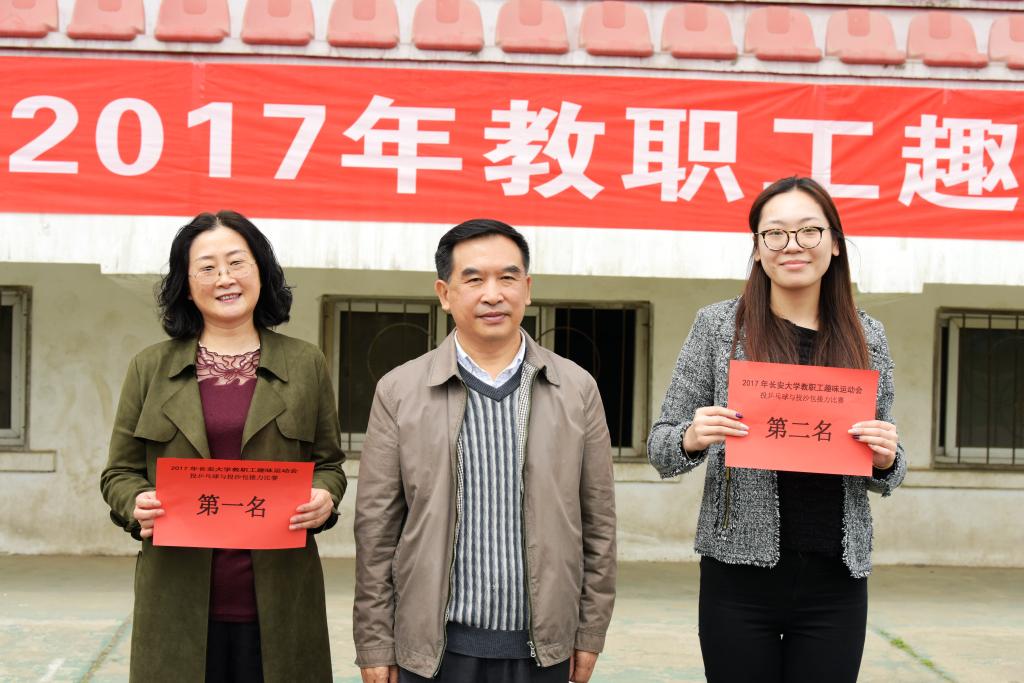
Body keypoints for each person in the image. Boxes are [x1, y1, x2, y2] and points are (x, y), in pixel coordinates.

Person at [647, 177, 907, 683]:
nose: (793, 245)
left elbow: (889, 463)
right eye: (775, 233)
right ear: (757, 247)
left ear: (835, 243)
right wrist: (691, 437)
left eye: (809, 231)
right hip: (737, 577)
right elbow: (661, 447)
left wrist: (886, 458)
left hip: (836, 580)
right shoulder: (719, 326)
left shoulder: (867, 335)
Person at [353, 219, 617, 683]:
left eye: (507, 278)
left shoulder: (576, 388)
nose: (493, 295)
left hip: (543, 649)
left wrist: (590, 631)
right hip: (434, 651)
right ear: (444, 293)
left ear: (527, 289)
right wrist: (375, 642)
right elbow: (376, 531)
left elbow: (598, 525)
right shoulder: (399, 391)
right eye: (473, 279)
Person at [100, 210, 346, 682]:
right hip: (176, 599)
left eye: (237, 263)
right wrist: (136, 501)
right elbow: (119, 474)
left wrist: (326, 495)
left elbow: (328, 463)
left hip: (281, 598)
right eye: (207, 268)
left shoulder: (305, 363)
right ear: (186, 286)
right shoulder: (149, 368)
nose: (225, 278)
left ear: (261, 272)